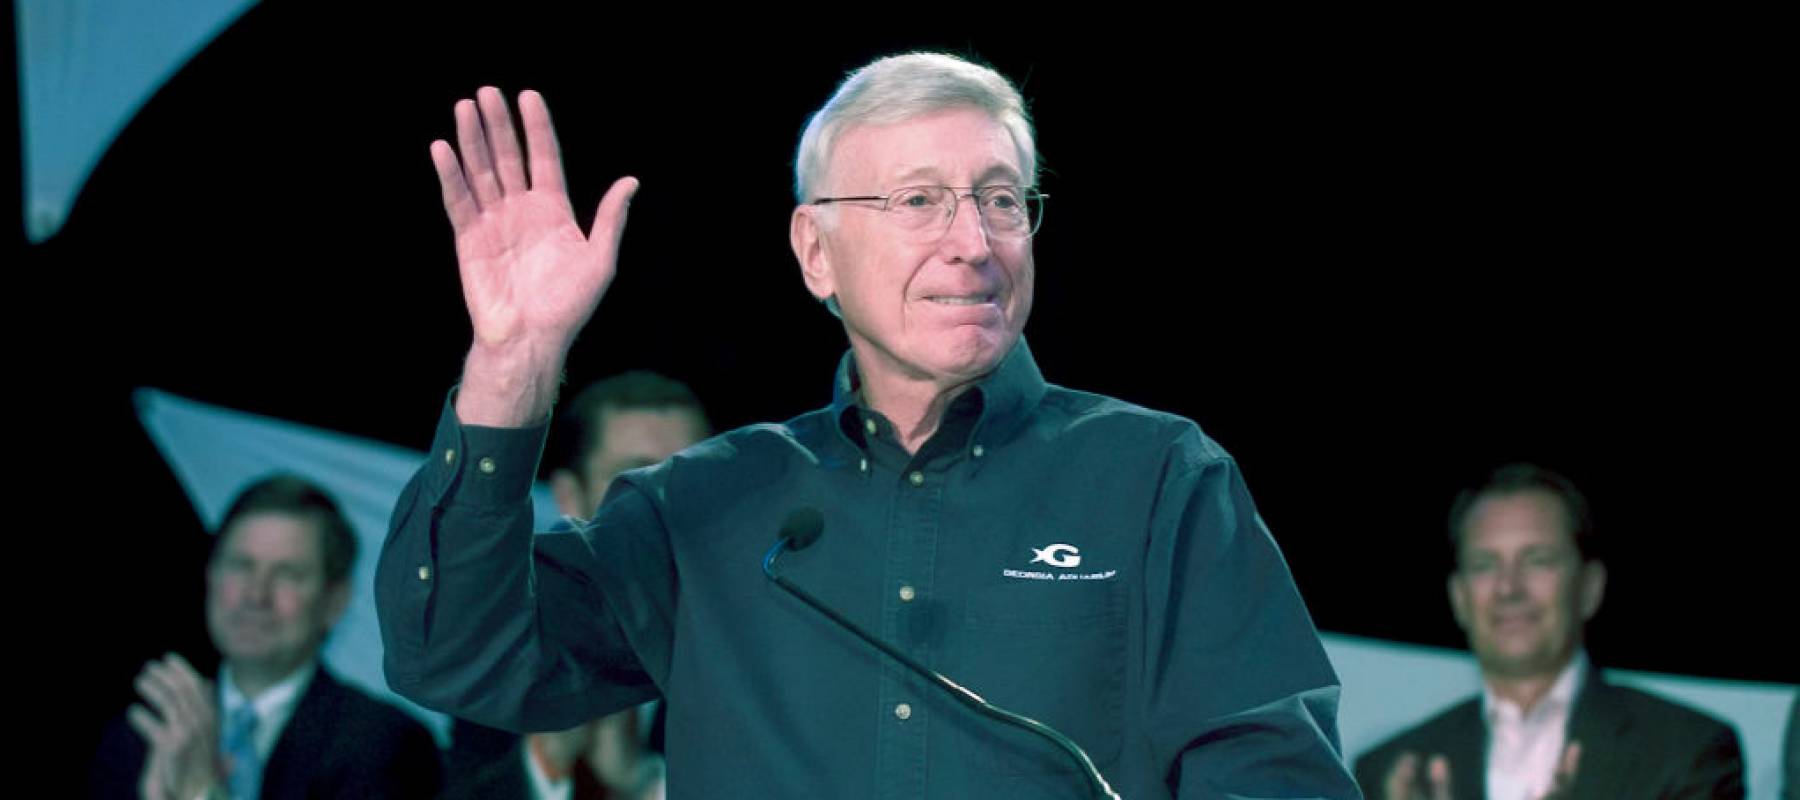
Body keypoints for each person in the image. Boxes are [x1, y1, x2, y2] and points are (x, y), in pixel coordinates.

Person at [377, 52, 1356, 798]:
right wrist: (513, 364)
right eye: (920, 201)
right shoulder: (704, 503)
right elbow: (460, 654)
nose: (972, 242)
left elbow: (1275, 774)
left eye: (1001, 200)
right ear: (816, 252)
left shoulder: (1156, 477)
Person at [1354, 464, 1743, 799]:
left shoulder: (1686, 751)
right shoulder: (1386, 774)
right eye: (1485, 565)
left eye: (1537, 561)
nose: (1509, 588)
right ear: (1458, 598)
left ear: (1589, 587)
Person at [92, 475, 441, 799]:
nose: (256, 595)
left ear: (335, 601)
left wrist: (204, 792)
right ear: (210, 577)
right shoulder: (144, 733)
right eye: (241, 566)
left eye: (287, 574)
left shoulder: (383, 745)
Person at [446, 370, 708, 799]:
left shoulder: (764, 635)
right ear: (570, 496)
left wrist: (646, 786)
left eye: (692, 472)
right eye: (638, 477)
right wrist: (545, 765)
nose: (671, 500)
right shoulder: (506, 648)